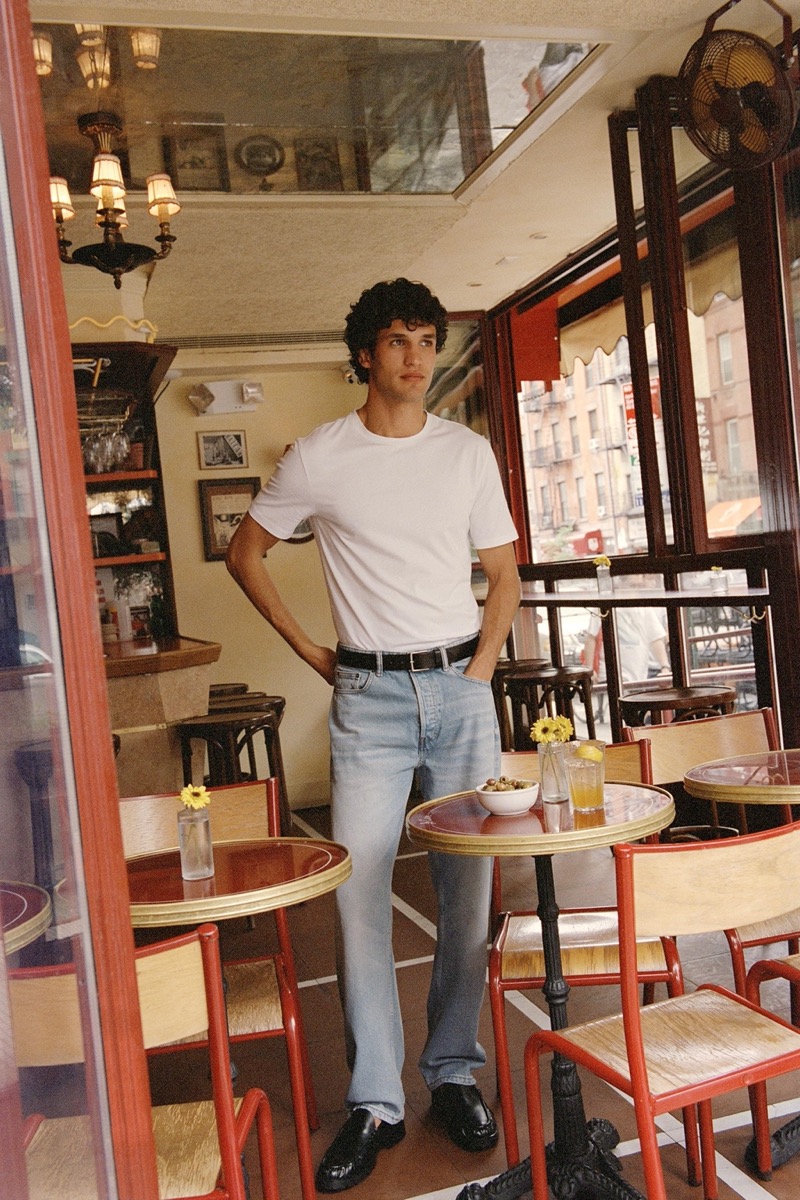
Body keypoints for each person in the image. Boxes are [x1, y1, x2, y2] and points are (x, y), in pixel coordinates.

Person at [225, 278, 520, 1193]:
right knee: (356, 898)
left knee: (467, 894)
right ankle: (375, 1101)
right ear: (364, 354)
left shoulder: (466, 454)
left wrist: (477, 675)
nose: (417, 356)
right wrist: (318, 654)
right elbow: (245, 554)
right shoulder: (319, 457)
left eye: (428, 339)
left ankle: (453, 1072)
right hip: (371, 700)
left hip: (460, 686)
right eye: (398, 340)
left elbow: (504, 573)